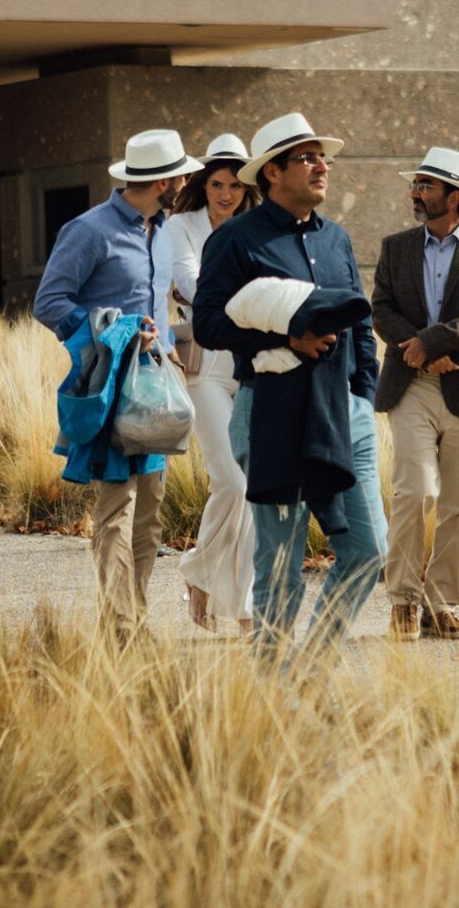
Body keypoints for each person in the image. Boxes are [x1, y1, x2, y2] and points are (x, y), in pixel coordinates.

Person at [190, 112, 385, 662]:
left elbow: (361, 325)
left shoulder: (338, 239)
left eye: (322, 157)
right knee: (279, 564)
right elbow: (208, 323)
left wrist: (362, 396)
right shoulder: (235, 241)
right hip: (271, 412)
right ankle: (274, 684)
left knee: (368, 549)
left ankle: (314, 665)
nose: (322, 165)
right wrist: (286, 337)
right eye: (307, 157)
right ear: (271, 173)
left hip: (344, 414)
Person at [32, 128, 201, 635]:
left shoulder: (164, 231)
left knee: (150, 512)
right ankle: (120, 626)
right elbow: (50, 303)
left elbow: (161, 306)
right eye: (182, 174)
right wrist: (121, 334)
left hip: (158, 388)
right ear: (162, 181)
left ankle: (136, 617)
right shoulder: (89, 231)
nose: (188, 179)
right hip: (113, 387)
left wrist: (169, 346)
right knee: (117, 508)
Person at [371, 147, 459, 641]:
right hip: (411, 387)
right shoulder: (395, 247)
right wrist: (423, 354)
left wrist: (432, 341)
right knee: (415, 492)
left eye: (426, 186)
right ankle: (403, 602)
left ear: (455, 196)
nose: (416, 192)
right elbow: (381, 310)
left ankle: (440, 605)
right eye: (416, 184)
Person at [168, 132, 259, 633]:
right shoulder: (181, 226)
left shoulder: (257, 227)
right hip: (203, 367)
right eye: (217, 184)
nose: (226, 195)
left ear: (248, 189)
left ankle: (210, 581)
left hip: (251, 367)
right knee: (233, 481)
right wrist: (247, 296)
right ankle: (231, 601)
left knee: (251, 490)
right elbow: (188, 282)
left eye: (235, 187)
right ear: (204, 184)